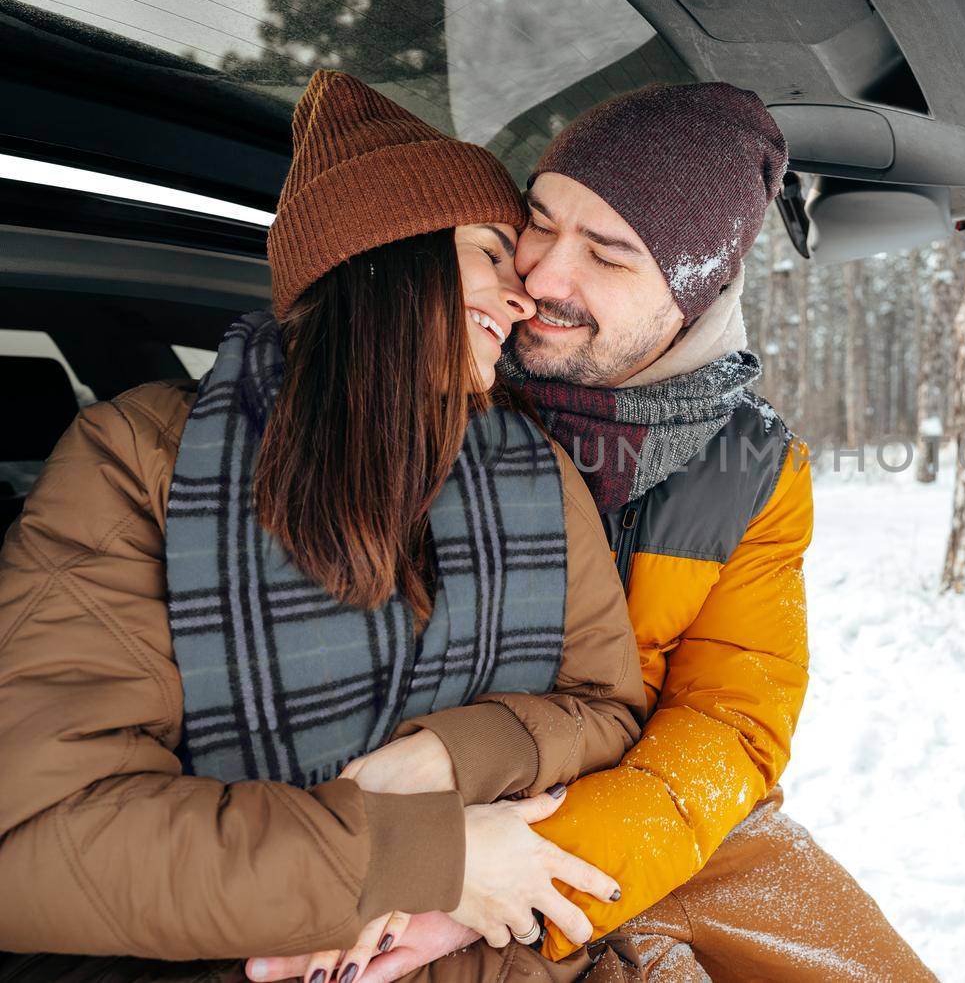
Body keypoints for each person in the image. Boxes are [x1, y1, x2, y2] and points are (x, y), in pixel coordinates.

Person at [254, 82, 936, 983]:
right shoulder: (449, 368)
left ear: (690, 297)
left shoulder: (755, 473)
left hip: (647, 820)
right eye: (539, 221)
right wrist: (431, 858)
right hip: (436, 798)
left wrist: (545, 866)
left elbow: (732, 722)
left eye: (608, 253)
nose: (539, 277)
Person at [0, 71, 648, 983]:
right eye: (492, 254)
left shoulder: (534, 467)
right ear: (393, 250)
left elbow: (610, 709)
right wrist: (419, 856)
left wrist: (448, 758)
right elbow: (41, 839)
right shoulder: (141, 459)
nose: (522, 297)